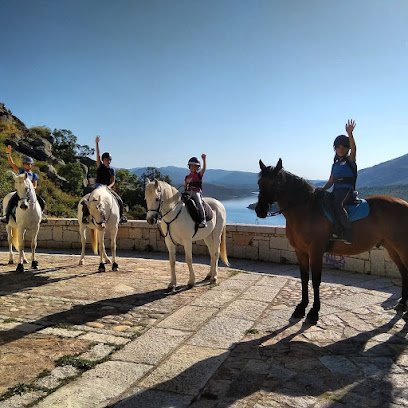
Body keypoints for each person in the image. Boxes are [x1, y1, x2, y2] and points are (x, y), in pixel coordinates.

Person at [321, 119, 357, 244]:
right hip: (336, 191)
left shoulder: (350, 161)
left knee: (338, 205)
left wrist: (350, 134)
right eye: (338, 146)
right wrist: (321, 190)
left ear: (347, 148)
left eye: (343, 146)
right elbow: (331, 181)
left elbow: (354, 149)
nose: (340, 149)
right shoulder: (334, 165)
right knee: (323, 201)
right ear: (335, 148)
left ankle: (347, 233)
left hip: (347, 191)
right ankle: (331, 228)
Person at [82, 136, 127, 224]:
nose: (108, 161)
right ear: (103, 160)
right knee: (87, 199)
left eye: (109, 160)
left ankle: (121, 217)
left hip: (107, 187)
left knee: (119, 200)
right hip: (98, 186)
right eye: (106, 159)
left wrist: (109, 187)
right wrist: (97, 144)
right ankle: (85, 216)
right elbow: (98, 155)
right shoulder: (100, 166)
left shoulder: (112, 170)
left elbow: (113, 181)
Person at [1, 145, 47, 223]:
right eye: (27, 164)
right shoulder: (21, 171)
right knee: (11, 201)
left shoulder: (34, 175)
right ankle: (7, 216)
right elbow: (12, 163)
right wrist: (8, 154)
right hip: (21, 192)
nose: (28, 165)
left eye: (30, 164)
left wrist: (30, 188)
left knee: (42, 201)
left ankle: (41, 215)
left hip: (30, 192)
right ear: (24, 164)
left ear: (31, 165)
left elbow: (35, 185)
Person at [184, 154, 207, 228]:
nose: (193, 168)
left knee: (198, 202)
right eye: (191, 166)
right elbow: (185, 185)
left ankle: (203, 219)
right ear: (189, 167)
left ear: (197, 168)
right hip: (188, 192)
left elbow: (203, 169)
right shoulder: (187, 177)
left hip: (196, 191)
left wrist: (204, 159)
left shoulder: (199, 175)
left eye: (195, 166)